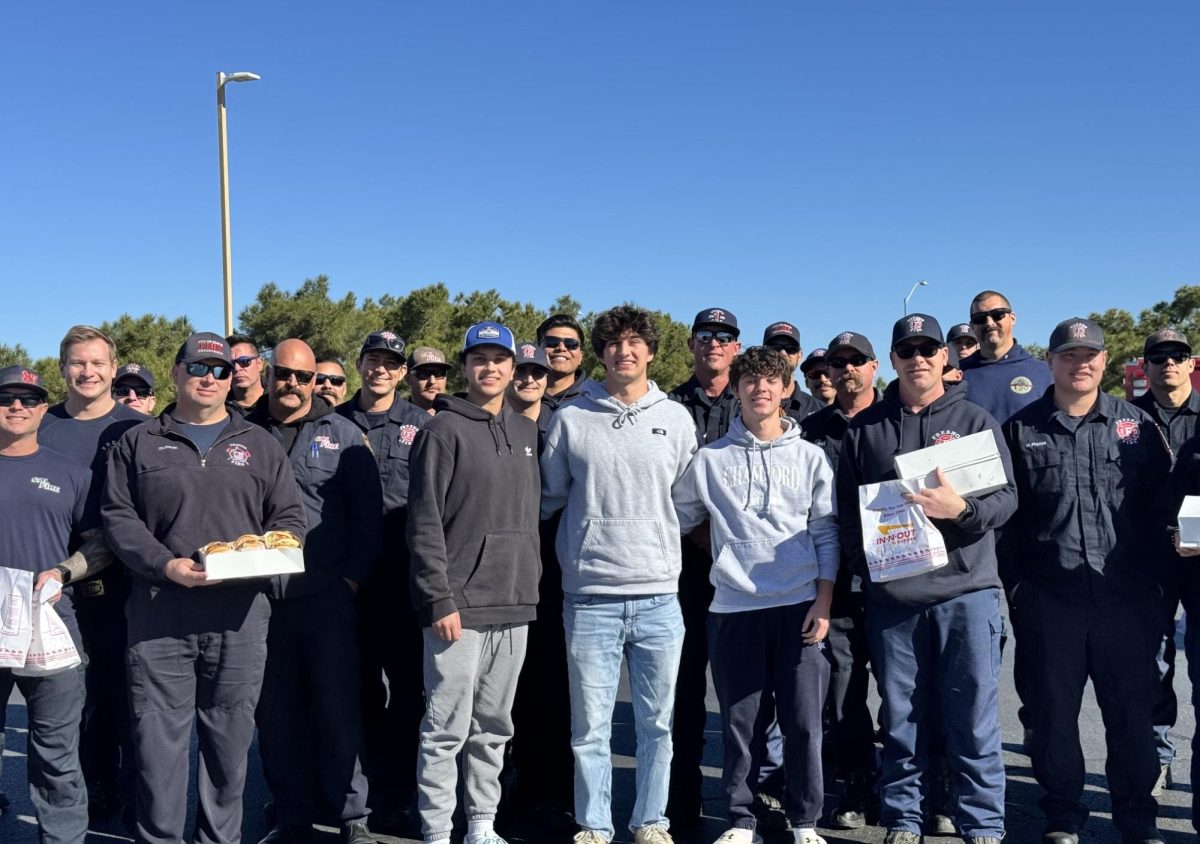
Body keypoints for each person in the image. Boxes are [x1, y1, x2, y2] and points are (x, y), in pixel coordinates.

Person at [102, 331, 307, 844]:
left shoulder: (258, 444)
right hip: (158, 616)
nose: (209, 379)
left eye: (220, 371)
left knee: (229, 750)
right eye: (198, 368)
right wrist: (163, 565)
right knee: (157, 750)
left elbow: (289, 517)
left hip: (239, 617)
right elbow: (118, 519)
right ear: (175, 373)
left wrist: (270, 553)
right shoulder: (137, 442)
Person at [836, 313, 1016, 844]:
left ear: (945, 356)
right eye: (906, 350)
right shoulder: (866, 430)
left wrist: (961, 509)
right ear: (892, 360)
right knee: (900, 717)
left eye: (927, 349)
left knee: (974, 714)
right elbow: (847, 511)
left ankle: (982, 821)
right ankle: (903, 818)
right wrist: (862, 561)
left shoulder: (975, 421)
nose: (917, 358)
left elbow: (1006, 501)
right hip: (895, 596)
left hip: (966, 591)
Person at [1003, 318, 1171, 844]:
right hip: (1051, 601)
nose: (1083, 364)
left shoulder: (1137, 426)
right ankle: (1063, 815)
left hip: (1127, 598)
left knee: (1131, 716)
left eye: (1091, 355)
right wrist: (1020, 593)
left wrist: (1157, 586)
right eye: (1070, 355)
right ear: (1050, 361)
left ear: (1105, 361)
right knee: (1053, 716)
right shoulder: (1021, 429)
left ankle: (1137, 819)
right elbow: (1006, 521)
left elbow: (1163, 507)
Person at [541, 304, 697, 844]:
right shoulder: (570, 418)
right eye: (613, 343)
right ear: (601, 352)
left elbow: (690, 500)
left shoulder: (675, 418)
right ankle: (595, 824)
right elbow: (547, 497)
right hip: (588, 598)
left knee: (657, 725)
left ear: (651, 352)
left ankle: (651, 821)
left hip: (659, 596)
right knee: (589, 729)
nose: (623, 351)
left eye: (634, 342)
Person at [675, 346, 838, 844]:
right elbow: (679, 517)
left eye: (772, 380)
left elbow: (826, 531)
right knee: (741, 727)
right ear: (739, 388)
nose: (761, 388)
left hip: (799, 607)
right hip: (733, 608)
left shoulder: (811, 457)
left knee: (804, 727)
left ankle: (805, 820)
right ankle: (742, 818)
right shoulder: (709, 460)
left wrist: (824, 601)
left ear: (788, 389)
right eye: (751, 380)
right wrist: (720, 547)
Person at [408, 321, 541, 844]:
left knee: (494, 727)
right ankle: (438, 830)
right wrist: (438, 597)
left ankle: (482, 823)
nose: (490, 368)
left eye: (499, 359)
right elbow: (423, 522)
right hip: (457, 608)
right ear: (465, 368)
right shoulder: (442, 429)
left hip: (515, 600)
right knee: (444, 729)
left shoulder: (528, 431)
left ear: (513, 368)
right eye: (479, 359)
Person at [249, 340, 383, 844]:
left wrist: (349, 581)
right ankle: (292, 816)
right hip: (258, 602)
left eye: (304, 377)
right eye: (283, 373)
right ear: (267, 374)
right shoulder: (242, 431)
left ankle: (354, 817)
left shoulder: (345, 435)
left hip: (326, 597)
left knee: (337, 709)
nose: (293, 384)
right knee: (276, 717)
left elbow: (367, 518)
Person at [39, 325, 145, 823]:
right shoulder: (41, 424)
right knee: (75, 707)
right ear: (63, 369)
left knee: (129, 700)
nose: (88, 372)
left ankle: (135, 796)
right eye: (78, 363)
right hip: (55, 591)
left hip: (127, 586)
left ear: (113, 366)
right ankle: (93, 794)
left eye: (98, 363)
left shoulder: (138, 428)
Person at [0, 364, 110, 842]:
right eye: (7, 398)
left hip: (51, 630)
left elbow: (102, 543)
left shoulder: (70, 473)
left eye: (29, 399)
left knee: (56, 755)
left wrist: (64, 571)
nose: (17, 406)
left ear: (44, 409)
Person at [336, 330, 430, 830]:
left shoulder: (421, 424)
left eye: (391, 363)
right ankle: (365, 785)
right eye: (373, 359)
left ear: (401, 373)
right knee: (360, 687)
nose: (380, 369)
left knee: (411, 689)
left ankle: (401, 786)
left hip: (403, 576)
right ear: (361, 364)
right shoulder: (335, 422)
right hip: (353, 578)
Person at [799, 331, 881, 830]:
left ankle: (908, 788)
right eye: (837, 362)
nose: (845, 368)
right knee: (845, 694)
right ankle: (855, 784)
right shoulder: (811, 431)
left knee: (903, 693)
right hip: (836, 583)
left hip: (896, 578)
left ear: (874, 367)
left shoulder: (897, 419)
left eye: (855, 360)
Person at [1132, 328, 1199, 798]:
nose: (1168, 364)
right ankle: (1158, 757)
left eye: (1177, 355)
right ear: (1146, 366)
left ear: (1192, 363)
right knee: (1152, 666)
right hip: (1148, 560)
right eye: (1159, 357)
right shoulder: (1127, 421)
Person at [959, 290, 1051, 423]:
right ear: (972, 326)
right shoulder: (957, 375)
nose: (989, 323)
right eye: (979, 318)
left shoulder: (1045, 373)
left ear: (1012, 319)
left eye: (997, 314)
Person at [763, 322, 826, 419]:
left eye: (791, 349)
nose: (783, 353)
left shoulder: (820, 410)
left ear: (800, 355)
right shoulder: (747, 406)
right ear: (762, 353)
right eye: (775, 348)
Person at [538, 314, 595, 411]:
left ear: (581, 356)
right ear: (538, 349)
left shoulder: (595, 399)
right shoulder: (519, 395)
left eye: (571, 344)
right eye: (552, 342)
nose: (561, 348)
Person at [506, 340, 553, 431]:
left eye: (538, 372)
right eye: (520, 371)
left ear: (546, 378)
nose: (529, 380)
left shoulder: (558, 422)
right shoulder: (486, 422)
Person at [226, 333, 266, 416]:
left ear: (259, 363)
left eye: (244, 361)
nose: (237, 368)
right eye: (231, 364)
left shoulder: (277, 400)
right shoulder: (218, 406)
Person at [406, 347, 452, 415]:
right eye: (423, 374)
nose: (432, 381)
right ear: (408, 378)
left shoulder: (458, 417)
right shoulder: (396, 417)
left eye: (439, 373)